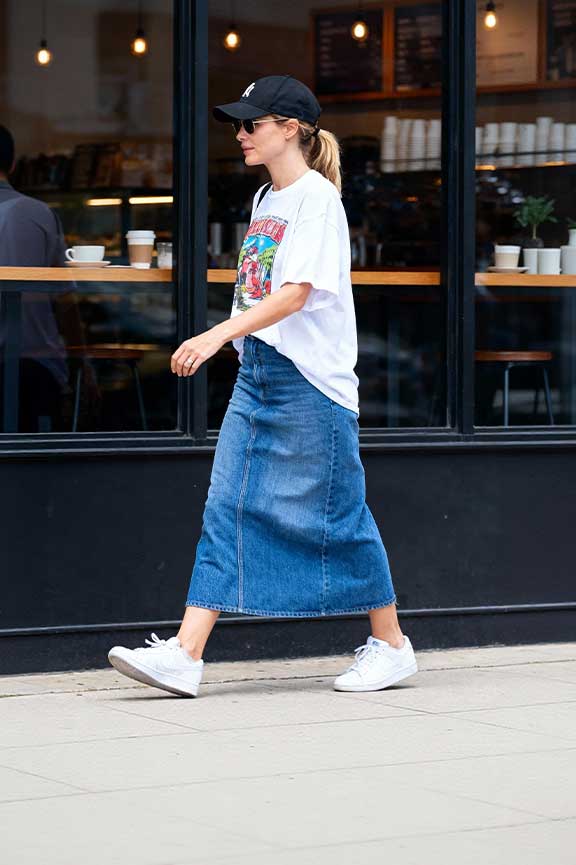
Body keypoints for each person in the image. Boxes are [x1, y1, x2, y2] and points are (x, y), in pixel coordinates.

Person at [108, 74, 418, 697]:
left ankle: (391, 645)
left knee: (340, 515)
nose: (241, 134)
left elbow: (296, 294)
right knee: (227, 502)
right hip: (260, 376)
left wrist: (216, 335)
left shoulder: (317, 202)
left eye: (252, 123)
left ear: (291, 129)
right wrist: (237, 344)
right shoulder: (264, 201)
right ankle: (186, 653)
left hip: (310, 383)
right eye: (238, 125)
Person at [0, 125, 99, 431]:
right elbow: (65, 300)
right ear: (13, 165)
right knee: (39, 465)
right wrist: (81, 359)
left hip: (28, 364)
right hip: (38, 363)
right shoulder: (39, 213)